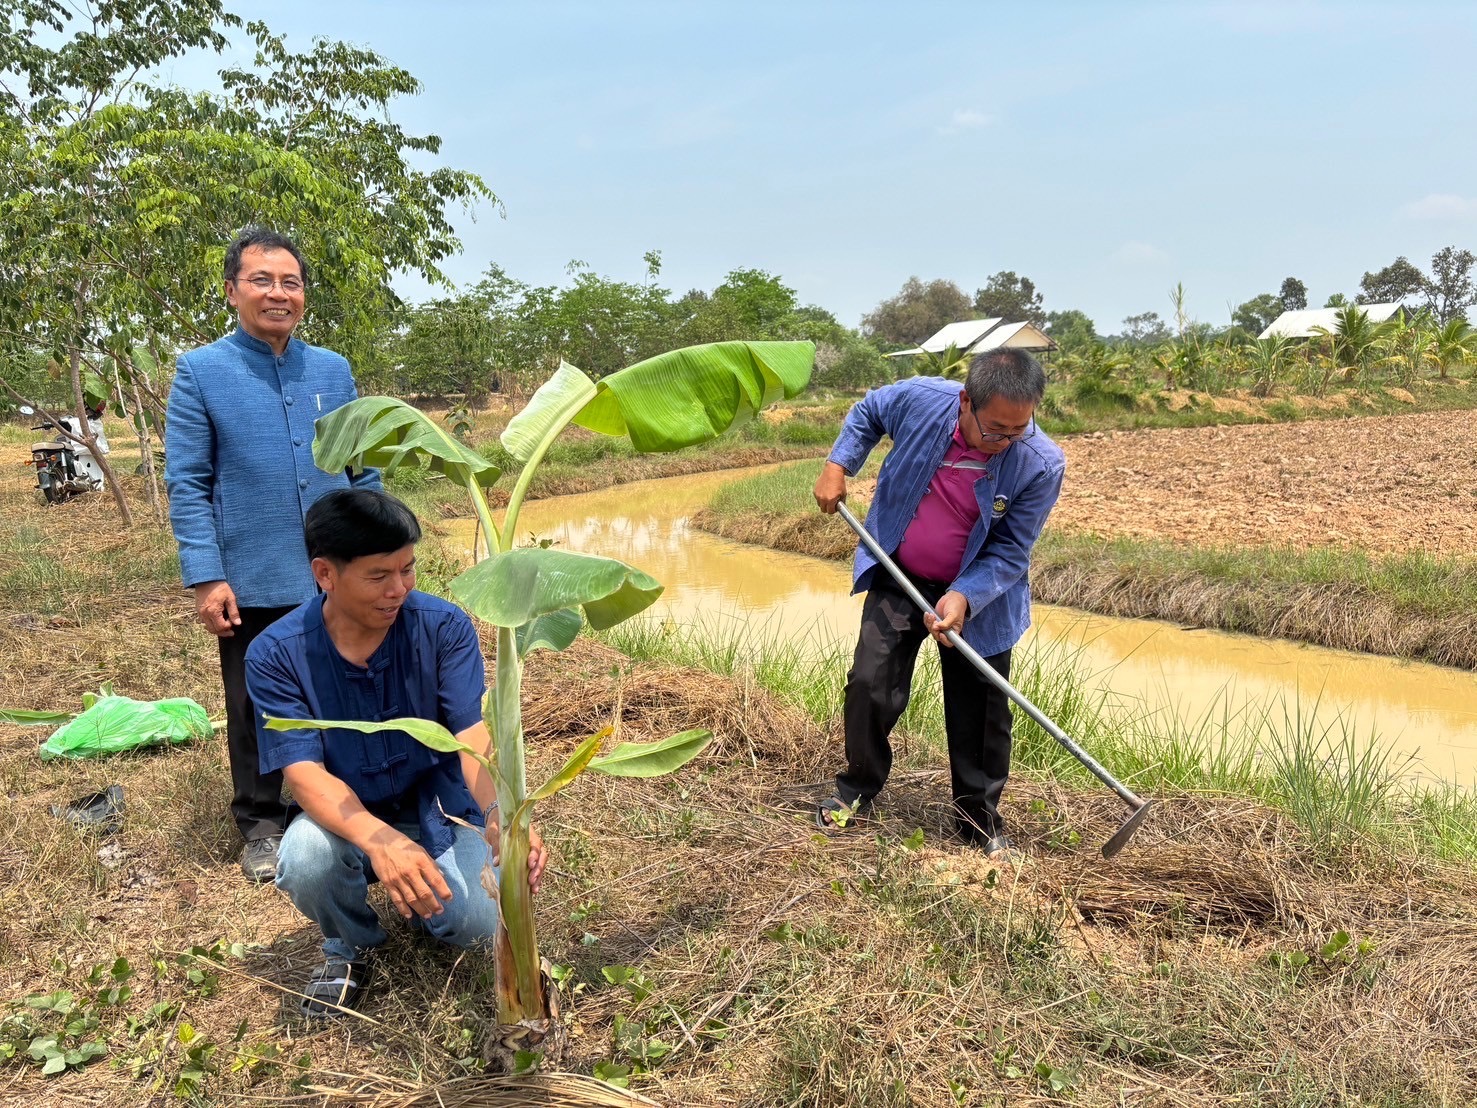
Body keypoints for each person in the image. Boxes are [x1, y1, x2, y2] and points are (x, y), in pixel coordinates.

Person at [245, 489, 548, 1019]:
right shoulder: (276, 654)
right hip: (346, 815)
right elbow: (304, 773)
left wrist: (502, 813)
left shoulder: (443, 626)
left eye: (407, 569)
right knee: (306, 859)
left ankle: (425, 901)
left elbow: (472, 735)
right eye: (379, 576)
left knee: (476, 924)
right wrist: (381, 841)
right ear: (325, 574)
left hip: (440, 810)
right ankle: (351, 945)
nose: (399, 590)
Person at [165, 227, 381, 882]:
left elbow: (362, 469)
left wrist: (379, 554)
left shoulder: (333, 371)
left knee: (351, 687)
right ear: (233, 291)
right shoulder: (201, 372)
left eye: (290, 282)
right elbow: (188, 482)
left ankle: (346, 806)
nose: (278, 293)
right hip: (253, 573)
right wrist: (206, 577)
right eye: (262, 280)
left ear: (304, 294)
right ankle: (261, 821)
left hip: (338, 571)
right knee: (255, 702)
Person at [812, 349, 1065, 858]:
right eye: (995, 430)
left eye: (1018, 430)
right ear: (965, 401)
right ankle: (855, 790)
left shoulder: (1040, 462)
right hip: (900, 575)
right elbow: (869, 411)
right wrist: (837, 465)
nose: (1005, 442)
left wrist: (965, 596)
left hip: (980, 597)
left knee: (981, 709)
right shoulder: (923, 400)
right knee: (870, 683)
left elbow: (1012, 549)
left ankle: (977, 821)